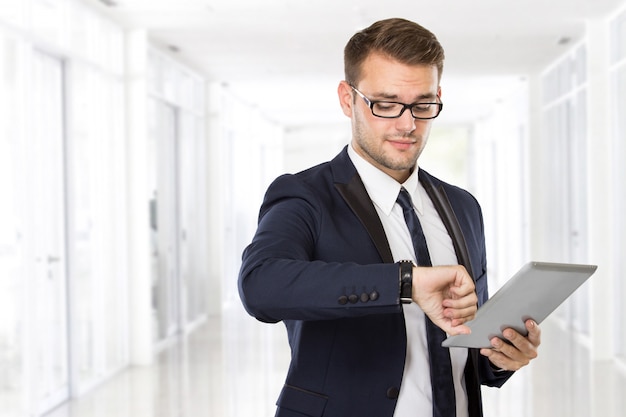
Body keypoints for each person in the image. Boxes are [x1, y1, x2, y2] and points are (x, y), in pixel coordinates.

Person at [238, 17, 540, 417]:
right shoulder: (305, 196)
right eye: (385, 104)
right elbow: (260, 286)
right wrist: (406, 282)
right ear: (348, 99)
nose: (407, 124)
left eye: (423, 104)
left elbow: (468, 344)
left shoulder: (463, 206)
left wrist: (501, 357)